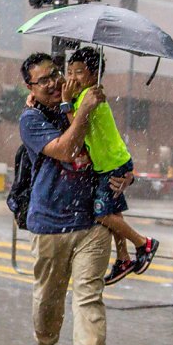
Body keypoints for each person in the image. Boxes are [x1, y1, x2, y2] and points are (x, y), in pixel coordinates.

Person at [19, 51, 131, 345]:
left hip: (90, 221)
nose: (54, 83)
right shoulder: (31, 119)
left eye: (56, 74)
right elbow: (68, 150)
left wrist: (125, 174)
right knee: (49, 298)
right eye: (44, 80)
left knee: (88, 296)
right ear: (30, 88)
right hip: (50, 221)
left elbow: (110, 147)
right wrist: (79, 111)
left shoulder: (87, 101)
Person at [63, 47, 159, 285]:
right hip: (109, 165)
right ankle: (124, 259)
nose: (72, 78)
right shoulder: (84, 95)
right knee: (114, 212)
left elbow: (77, 129)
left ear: (94, 75)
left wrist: (66, 104)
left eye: (79, 72)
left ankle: (143, 243)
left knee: (103, 213)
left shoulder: (89, 97)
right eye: (69, 72)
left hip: (112, 165)